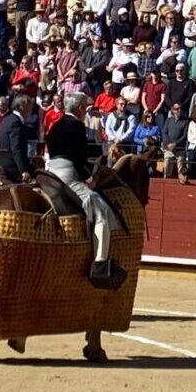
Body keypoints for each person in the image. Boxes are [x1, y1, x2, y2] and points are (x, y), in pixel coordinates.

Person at [45, 91, 125, 289]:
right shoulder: (77, 126)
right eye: (85, 106)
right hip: (68, 174)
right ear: (80, 108)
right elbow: (77, 158)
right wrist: (89, 177)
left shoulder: (56, 125)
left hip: (50, 172)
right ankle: (100, 263)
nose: (87, 109)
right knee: (102, 212)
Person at [0, 93, 34, 182]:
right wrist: (23, 170)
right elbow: (16, 148)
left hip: (1, 160)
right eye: (29, 107)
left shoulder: (7, 119)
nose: (30, 110)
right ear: (22, 107)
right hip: (11, 166)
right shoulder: (16, 122)